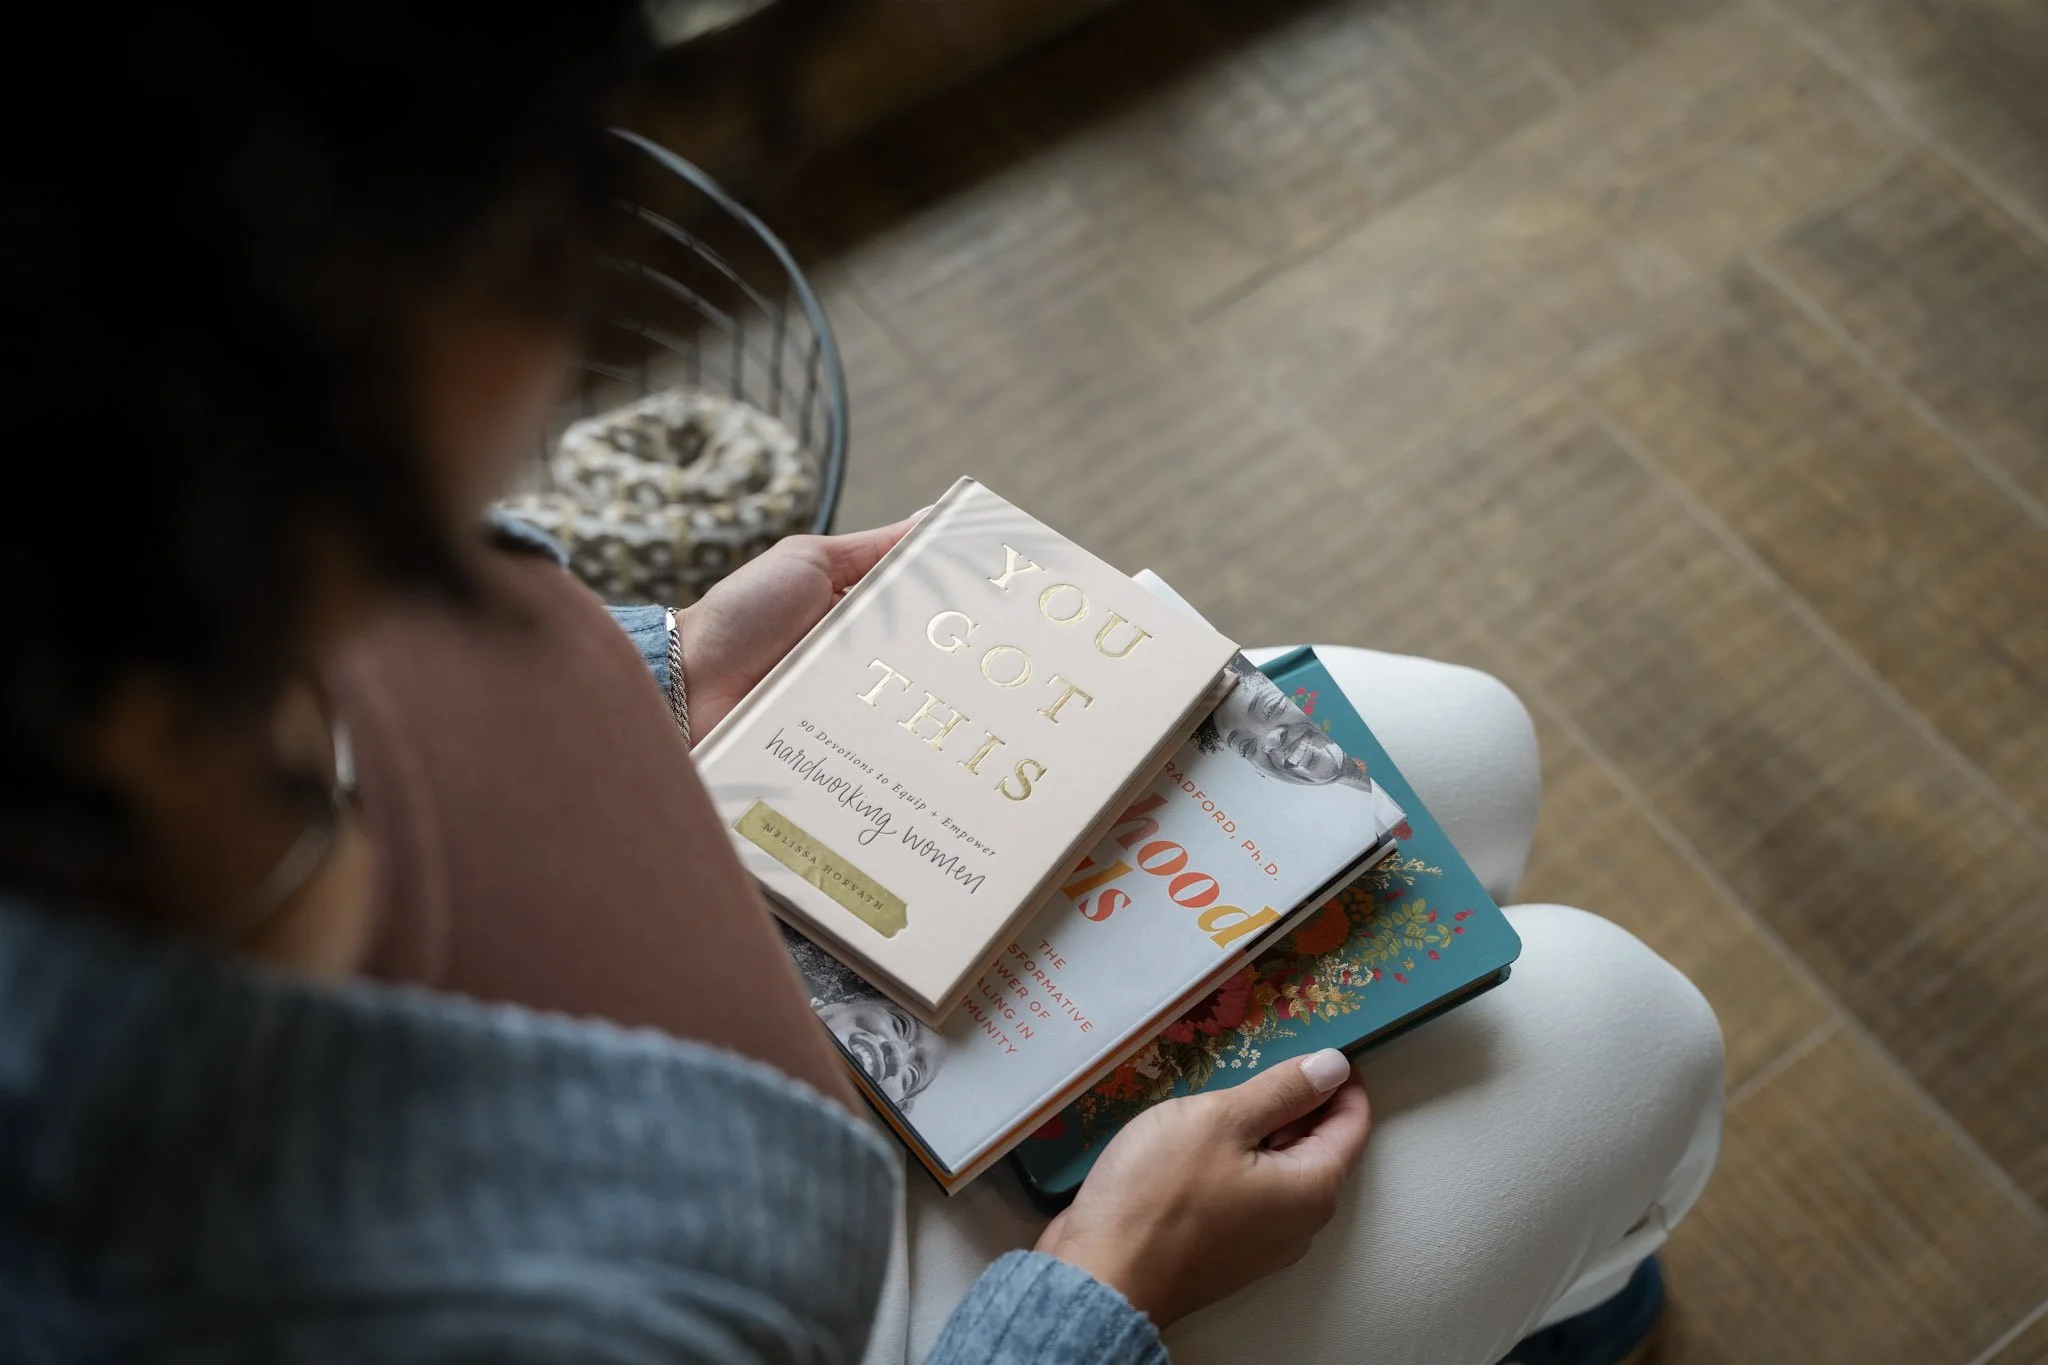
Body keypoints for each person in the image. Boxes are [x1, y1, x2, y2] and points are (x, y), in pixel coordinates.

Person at [0, 5, 1722, 1364]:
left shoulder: (144, 560)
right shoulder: (292, 1283)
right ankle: (1569, 1281)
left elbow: (414, 686)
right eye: (532, 200)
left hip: (787, 962)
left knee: (1462, 757)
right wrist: (1106, 1287)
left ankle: (1545, 1262)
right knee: (1616, 1028)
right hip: (905, 1305)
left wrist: (662, 671)